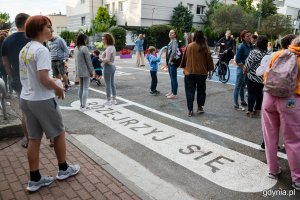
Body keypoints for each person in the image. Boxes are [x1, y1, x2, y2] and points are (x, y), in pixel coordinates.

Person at [19, 15, 80, 192]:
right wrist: (58, 88)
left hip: (26, 98)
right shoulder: (42, 50)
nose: (51, 31)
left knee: (34, 139)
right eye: (48, 27)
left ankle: (35, 178)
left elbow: (33, 76)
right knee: (59, 133)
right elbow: (43, 78)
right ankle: (63, 169)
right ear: (39, 29)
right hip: (42, 99)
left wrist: (50, 80)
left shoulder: (25, 49)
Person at [262, 36, 300, 191]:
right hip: (290, 101)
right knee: (293, 140)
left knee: (270, 136)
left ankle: (272, 170)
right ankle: (297, 178)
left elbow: (265, 76)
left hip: (269, 98)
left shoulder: (277, 54)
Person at [1, 13, 30, 148]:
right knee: (45, 109)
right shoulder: (32, 38)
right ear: (25, 23)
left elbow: (6, 63)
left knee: (24, 111)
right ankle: (53, 139)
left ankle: (27, 138)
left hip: (18, 81)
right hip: (35, 80)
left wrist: (12, 76)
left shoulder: (7, 40)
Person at [180, 31, 214, 117]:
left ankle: (190, 110)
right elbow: (209, 60)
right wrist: (210, 71)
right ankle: (200, 107)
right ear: (203, 37)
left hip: (189, 72)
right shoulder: (205, 47)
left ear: (194, 37)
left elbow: (184, 59)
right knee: (201, 91)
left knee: (189, 91)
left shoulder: (190, 46)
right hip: (201, 73)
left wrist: (184, 68)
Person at [244, 36, 268, 118]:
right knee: (259, 94)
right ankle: (257, 110)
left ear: (258, 43)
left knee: (251, 93)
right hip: (262, 77)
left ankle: (250, 111)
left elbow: (248, 64)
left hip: (252, 77)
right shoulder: (268, 54)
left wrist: (245, 70)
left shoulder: (254, 52)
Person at [233, 30, 253, 111]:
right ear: (243, 38)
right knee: (238, 86)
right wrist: (244, 69)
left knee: (243, 86)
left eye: (250, 35)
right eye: (247, 36)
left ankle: (242, 101)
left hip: (248, 70)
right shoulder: (241, 46)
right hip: (241, 70)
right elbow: (237, 60)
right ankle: (236, 104)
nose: (249, 37)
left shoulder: (252, 46)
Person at [74, 34, 94, 111]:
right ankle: (83, 106)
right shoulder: (84, 48)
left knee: (81, 87)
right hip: (85, 71)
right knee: (85, 88)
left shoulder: (76, 48)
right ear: (83, 40)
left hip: (79, 70)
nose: (86, 40)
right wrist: (91, 71)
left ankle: (81, 104)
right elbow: (88, 61)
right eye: (85, 39)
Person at [100, 33, 117, 106]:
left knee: (108, 85)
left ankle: (108, 100)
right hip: (112, 66)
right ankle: (114, 99)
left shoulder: (109, 48)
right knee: (112, 84)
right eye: (102, 39)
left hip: (108, 67)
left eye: (103, 39)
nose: (102, 40)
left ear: (107, 39)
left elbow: (107, 59)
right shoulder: (112, 47)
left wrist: (101, 60)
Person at [165, 29, 179, 99]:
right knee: (172, 78)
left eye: (172, 33)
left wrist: (170, 60)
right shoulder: (171, 41)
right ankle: (172, 91)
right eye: (170, 32)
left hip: (173, 62)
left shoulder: (174, 41)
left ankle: (174, 93)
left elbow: (173, 52)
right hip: (170, 62)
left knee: (174, 78)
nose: (170, 34)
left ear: (175, 35)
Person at [0, 31, 12, 96]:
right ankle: (11, 91)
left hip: (1, 64)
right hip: (8, 63)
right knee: (10, 77)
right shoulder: (7, 44)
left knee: (4, 78)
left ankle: (5, 91)